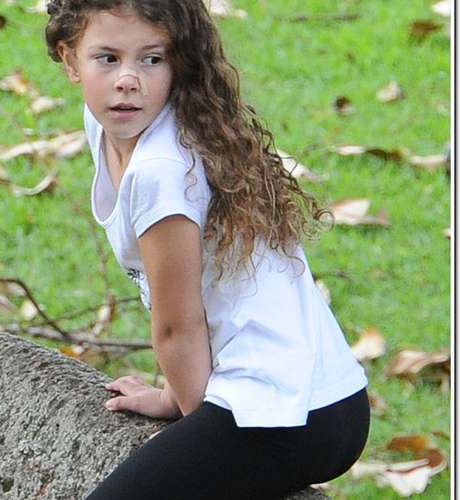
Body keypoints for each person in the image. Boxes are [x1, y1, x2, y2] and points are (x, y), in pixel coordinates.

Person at [45, 1, 370, 498]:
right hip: (320, 396)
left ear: (179, 61)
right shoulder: (112, 125)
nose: (128, 80)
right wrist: (174, 400)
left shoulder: (161, 171)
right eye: (107, 58)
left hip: (289, 415)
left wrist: (192, 437)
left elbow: (178, 328)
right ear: (70, 60)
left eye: (152, 59)